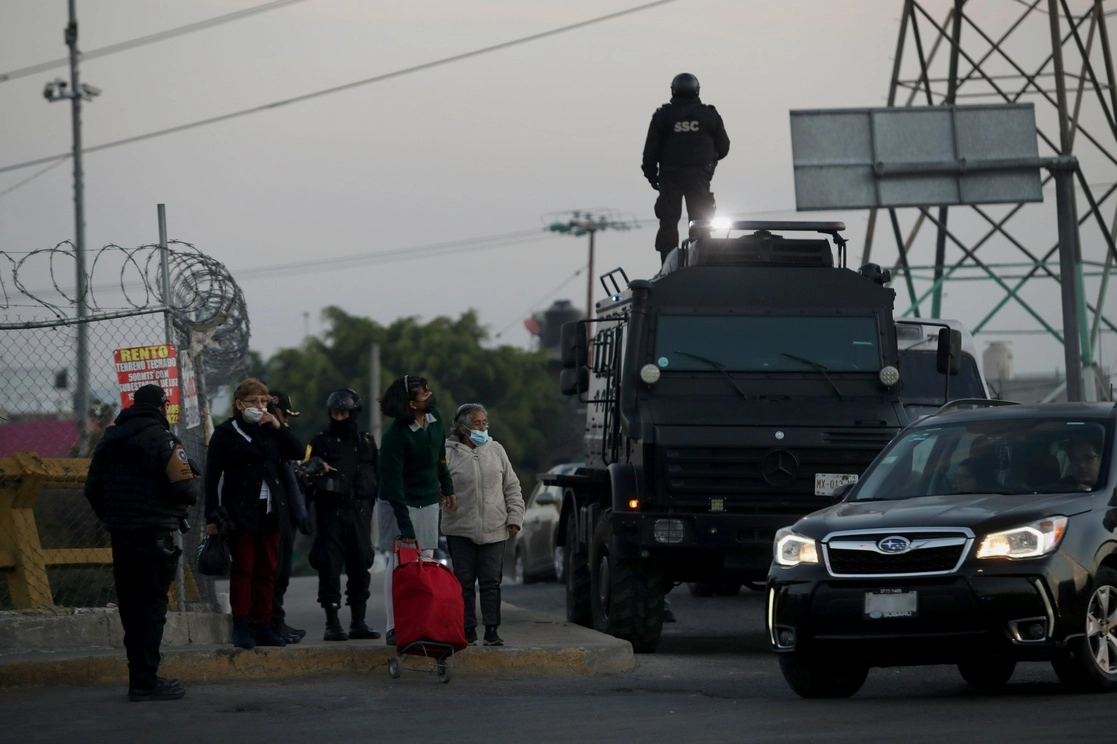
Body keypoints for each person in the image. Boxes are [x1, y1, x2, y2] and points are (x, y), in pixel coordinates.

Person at [83, 384, 199, 702]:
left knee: (131, 609)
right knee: (150, 608)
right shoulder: (165, 441)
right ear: (163, 407)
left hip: (121, 535)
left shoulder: (109, 439)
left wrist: (117, 517)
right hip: (154, 536)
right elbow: (187, 490)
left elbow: (92, 488)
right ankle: (146, 683)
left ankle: (140, 678)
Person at [204, 378, 304, 650]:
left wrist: (277, 424)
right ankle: (242, 624)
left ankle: (264, 624)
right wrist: (212, 517)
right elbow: (212, 478)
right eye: (254, 402)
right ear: (239, 405)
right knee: (244, 567)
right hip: (240, 510)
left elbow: (297, 451)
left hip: (271, 508)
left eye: (264, 401)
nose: (260, 406)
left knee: (267, 568)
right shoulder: (226, 433)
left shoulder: (270, 430)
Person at [377, 374, 456, 646]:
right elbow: (393, 484)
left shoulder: (435, 421)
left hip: (427, 498)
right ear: (411, 404)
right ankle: (393, 626)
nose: (430, 395)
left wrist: (448, 487)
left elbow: (440, 460)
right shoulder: (395, 436)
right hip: (398, 501)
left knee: (427, 558)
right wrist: (406, 527)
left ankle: (423, 621)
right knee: (399, 561)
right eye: (425, 394)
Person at [443, 403, 524, 646]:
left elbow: (512, 486)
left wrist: (514, 517)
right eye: (477, 424)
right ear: (462, 427)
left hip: (494, 528)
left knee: (491, 582)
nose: (482, 428)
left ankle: (491, 630)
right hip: (460, 529)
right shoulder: (448, 454)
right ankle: (468, 629)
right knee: (464, 583)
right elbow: (437, 487)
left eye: (484, 423)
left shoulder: (496, 450)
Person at [305, 388, 382, 642]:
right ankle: (332, 623)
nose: (339, 418)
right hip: (330, 516)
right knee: (329, 569)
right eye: (336, 413)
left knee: (360, 568)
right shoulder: (320, 441)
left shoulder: (367, 443)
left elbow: (378, 479)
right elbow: (305, 476)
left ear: (353, 413)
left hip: (359, 515)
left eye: (344, 413)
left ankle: (358, 622)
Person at [642, 72, 731, 264]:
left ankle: (667, 265)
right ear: (697, 90)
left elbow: (650, 152)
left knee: (668, 223)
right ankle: (701, 262)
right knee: (701, 222)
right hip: (699, 176)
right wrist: (709, 163)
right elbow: (724, 147)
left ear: (673, 90)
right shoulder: (709, 115)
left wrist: (652, 177)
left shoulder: (663, 116)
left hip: (670, 177)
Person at [267, 390, 311, 644]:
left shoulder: (282, 436)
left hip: (287, 515)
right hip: (271, 515)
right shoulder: (267, 437)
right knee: (271, 573)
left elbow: (295, 453)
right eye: (283, 416)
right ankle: (269, 622)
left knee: (282, 573)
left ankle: (277, 621)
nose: (286, 422)